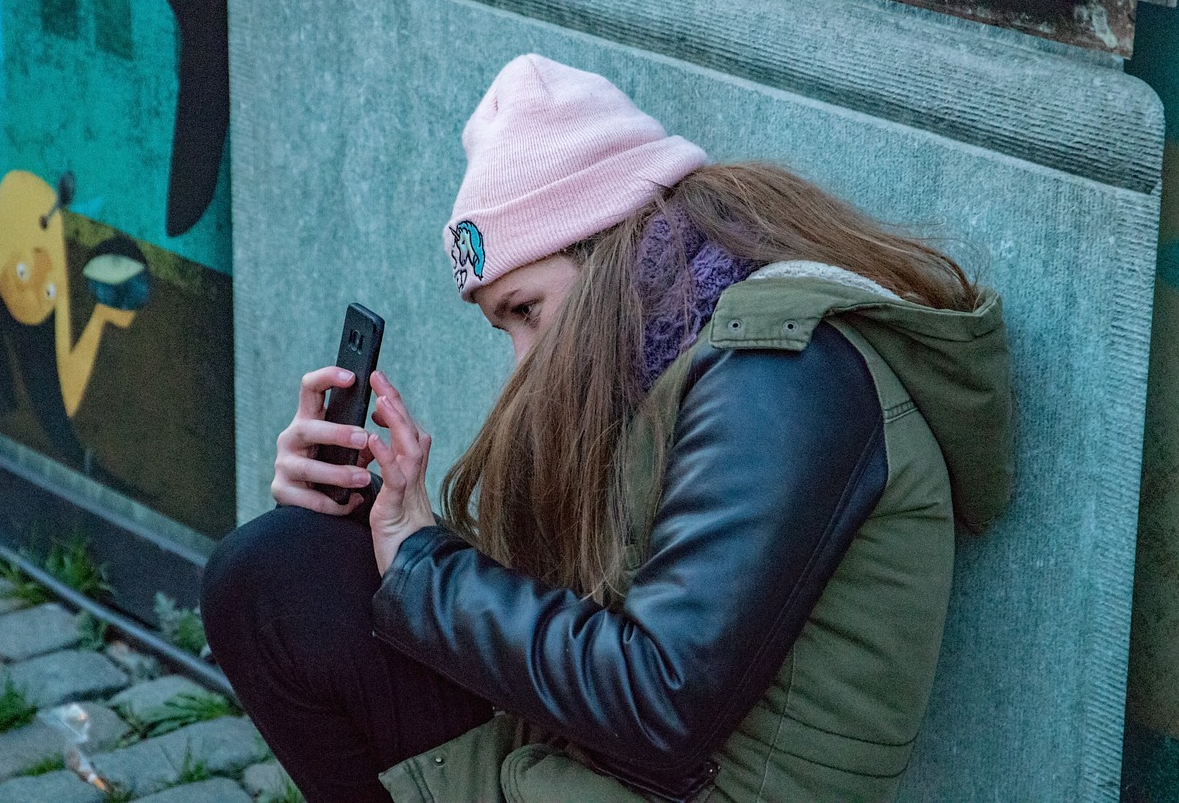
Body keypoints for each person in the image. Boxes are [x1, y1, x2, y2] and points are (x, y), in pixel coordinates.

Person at [201, 54, 1014, 802]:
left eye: (526, 312)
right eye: (502, 327)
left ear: (607, 244)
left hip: (688, 783)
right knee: (279, 571)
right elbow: (582, 607)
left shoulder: (781, 376)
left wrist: (424, 562)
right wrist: (376, 524)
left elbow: (660, 699)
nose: (521, 363)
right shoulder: (665, 359)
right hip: (603, 764)